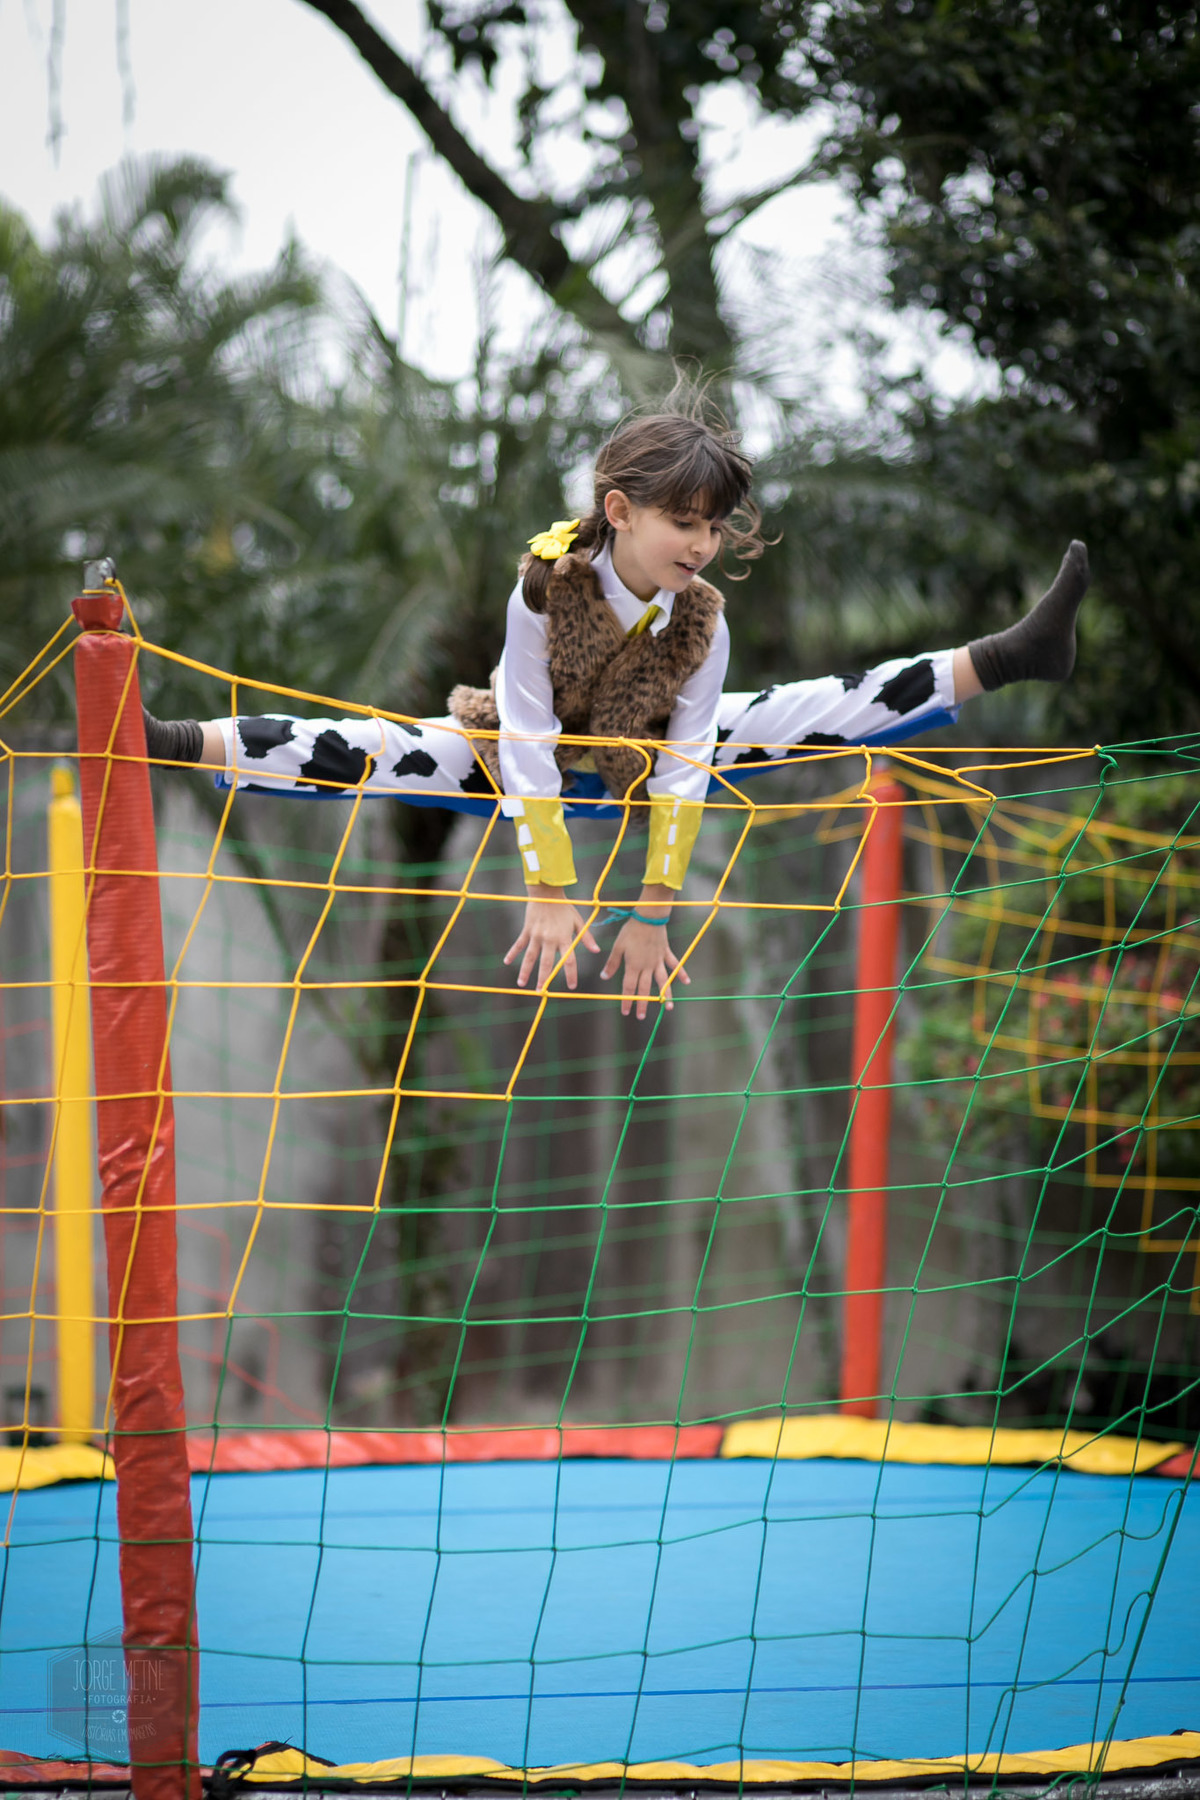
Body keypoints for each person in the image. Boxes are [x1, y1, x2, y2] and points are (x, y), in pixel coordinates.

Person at [141, 406, 1089, 1020]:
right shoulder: (543, 590)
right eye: (688, 524)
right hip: (523, 763)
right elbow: (526, 737)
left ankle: (1009, 654)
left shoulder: (703, 624)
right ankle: (175, 741)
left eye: (717, 528)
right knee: (386, 748)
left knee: (810, 710)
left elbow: (683, 774)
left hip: (641, 769)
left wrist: (651, 912)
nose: (706, 546)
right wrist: (550, 891)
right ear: (621, 510)